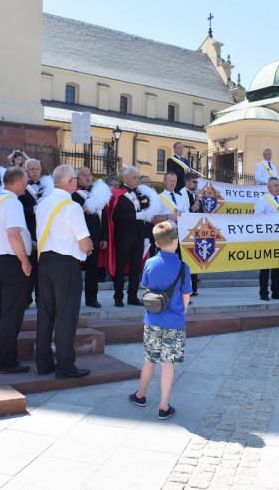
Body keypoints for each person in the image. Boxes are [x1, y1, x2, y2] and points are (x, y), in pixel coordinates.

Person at [127, 221, 192, 420]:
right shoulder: (183, 267)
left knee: (149, 359)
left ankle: (140, 395)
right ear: (176, 241)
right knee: (168, 364)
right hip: (174, 322)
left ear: (156, 243)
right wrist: (183, 311)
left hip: (152, 320)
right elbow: (186, 295)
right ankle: (163, 406)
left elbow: (146, 288)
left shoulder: (149, 263)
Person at [35, 164, 93, 379]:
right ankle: (65, 366)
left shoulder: (42, 204)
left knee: (46, 314)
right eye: (76, 179)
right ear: (70, 182)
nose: (77, 182)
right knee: (66, 316)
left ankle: (43, 363)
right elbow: (84, 242)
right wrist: (90, 249)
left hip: (45, 261)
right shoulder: (72, 206)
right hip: (66, 264)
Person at [0, 166, 32, 374]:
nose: (28, 185)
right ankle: (6, 361)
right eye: (26, 181)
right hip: (12, 262)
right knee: (11, 315)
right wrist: (25, 261)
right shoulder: (13, 203)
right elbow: (13, 234)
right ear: (19, 183)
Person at [107, 166, 148, 307]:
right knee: (120, 267)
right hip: (123, 237)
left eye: (137, 177)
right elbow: (116, 217)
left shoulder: (139, 194)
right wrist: (136, 216)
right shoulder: (117, 194)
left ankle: (132, 296)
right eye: (134, 178)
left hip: (138, 236)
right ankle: (118, 297)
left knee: (136, 268)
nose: (137, 180)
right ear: (125, 178)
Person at [72, 166, 109, 308]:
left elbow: (103, 217)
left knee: (93, 270)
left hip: (96, 237)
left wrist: (104, 237)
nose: (88, 178)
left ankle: (92, 298)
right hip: (79, 237)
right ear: (77, 178)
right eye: (84, 175)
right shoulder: (74, 195)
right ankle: (73, 298)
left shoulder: (97, 194)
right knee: (75, 270)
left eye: (89, 175)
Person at [254, 177, 279, 301]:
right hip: (267, 238)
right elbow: (258, 218)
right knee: (265, 267)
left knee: (278, 266)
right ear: (268, 187)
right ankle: (263, 292)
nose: (277, 188)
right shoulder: (262, 200)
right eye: (275, 185)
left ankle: (277, 291)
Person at [19, 159, 50, 307]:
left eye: (37, 169)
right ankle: (25, 299)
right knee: (29, 269)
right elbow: (17, 210)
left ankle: (41, 299)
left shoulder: (47, 186)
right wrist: (33, 209)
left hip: (44, 232)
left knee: (42, 270)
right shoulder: (21, 188)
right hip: (28, 232)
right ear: (26, 171)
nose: (35, 171)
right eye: (31, 169)